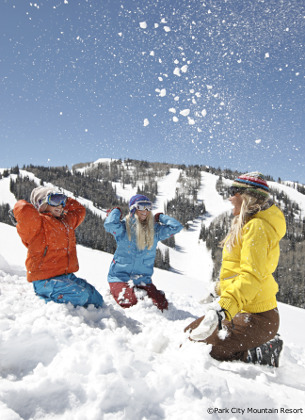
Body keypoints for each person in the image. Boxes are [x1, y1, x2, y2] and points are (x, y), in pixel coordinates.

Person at [185, 172, 286, 367]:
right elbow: (239, 273)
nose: (230, 197)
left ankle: (261, 350)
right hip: (241, 310)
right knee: (189, 336)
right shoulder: (246, 224)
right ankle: (245, 343)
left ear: (247, 196)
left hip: (259, 317)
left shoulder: (257, 227)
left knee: (203, 350)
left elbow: (251, 277)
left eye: (233, 192)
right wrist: (218, 289)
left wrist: (221, 309)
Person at [13, 186, 104, 308]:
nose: (60, 205)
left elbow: (79, 210)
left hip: (66, 276)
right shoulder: (37, 224)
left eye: (62, 201)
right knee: (80, 296)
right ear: (42, 203)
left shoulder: (66, 222)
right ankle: (43, 300)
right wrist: (35, 204)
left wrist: (65, 200)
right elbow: (23, 210)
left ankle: (62, 294)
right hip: (45, 280)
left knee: (97, 299)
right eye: (55, 200)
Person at [104, 194, 183, 310]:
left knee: (161, 305)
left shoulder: (154, 231)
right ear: (133, 208)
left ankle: (140, 291)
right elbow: (110, 224)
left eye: (148, 207)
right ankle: (116, 291)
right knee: (130, 302)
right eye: (141, 206)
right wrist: (116, 211)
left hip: (143, 279)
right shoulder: (123, 228)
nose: (145, 211)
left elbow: (177, 227)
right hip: (120, 277)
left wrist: (160, 217)